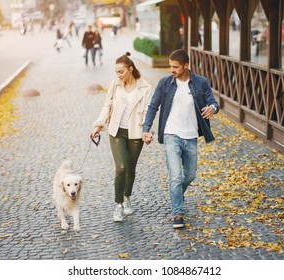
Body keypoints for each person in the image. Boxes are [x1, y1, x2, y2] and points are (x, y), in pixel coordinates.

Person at [142, 49, 219, 229]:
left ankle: (177, 194)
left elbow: (213, 101)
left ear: (186, 65)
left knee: (190, 175)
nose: (172, 70)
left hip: (191, 135)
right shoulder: (165, 83)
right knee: (175, 176)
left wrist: (213, 108)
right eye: (170, 66)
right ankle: (178, 213)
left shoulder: (200, 82)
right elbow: (153, 106)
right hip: (171, 134)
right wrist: (146, 129)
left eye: (175, 67)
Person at [90, 52, 153, 222]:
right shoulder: (116, 84)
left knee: (131, 168)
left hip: (136, 133)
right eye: (116, 72)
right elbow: (107, 105)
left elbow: (149, 111)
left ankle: (127, 198)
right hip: (116, 131)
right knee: (122, 167)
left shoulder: (145, 88)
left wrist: (147, 131)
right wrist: (98, 125)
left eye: (121, 71)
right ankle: (118, 205)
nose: (118, 75)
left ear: (130, 69)